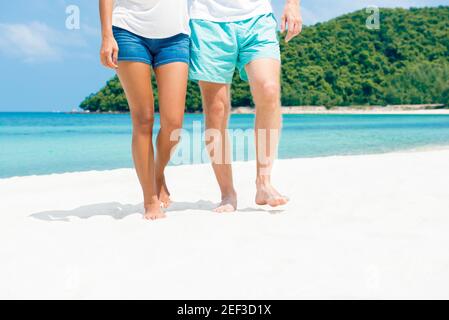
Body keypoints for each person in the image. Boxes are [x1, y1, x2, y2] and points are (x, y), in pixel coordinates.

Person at [189, 0, 303, 212]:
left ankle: (264, 182)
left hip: (257, 17)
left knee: (269, 89)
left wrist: (292, 4)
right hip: (208, 20)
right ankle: (227, 193)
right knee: (216, 109)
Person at [99, 0, 190, 220]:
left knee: (174, 124)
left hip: (175, 36)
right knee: (143, 119)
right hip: (129, 32)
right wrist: (106, 36)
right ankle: (150, 199)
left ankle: (157, 174)